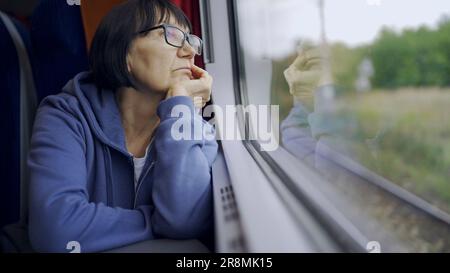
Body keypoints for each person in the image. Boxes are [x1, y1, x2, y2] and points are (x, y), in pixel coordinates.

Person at [27, 0, 218, 252]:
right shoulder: (64, 114)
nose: (189, 52)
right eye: (171, 35)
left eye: (190, 40)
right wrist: (157, 221)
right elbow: (56, 230)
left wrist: (181, 107)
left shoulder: (193, 125)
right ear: (124, 51)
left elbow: (185, 222)